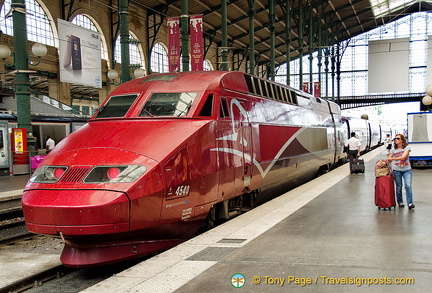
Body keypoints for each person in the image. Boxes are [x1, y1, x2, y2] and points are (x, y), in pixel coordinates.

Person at [388, 134, 414, 209]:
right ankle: (400, 202)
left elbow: (404, 157)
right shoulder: (393, 149)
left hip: (407, 170)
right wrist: (390, 157)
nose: (396, 140)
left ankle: (410, 203)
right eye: (395, 139)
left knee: (408, 186)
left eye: (398, 138)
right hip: (396, 170)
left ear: (402, 140)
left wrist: (393, 158)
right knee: (399, 187)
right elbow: (389, 157)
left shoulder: (407, 147)